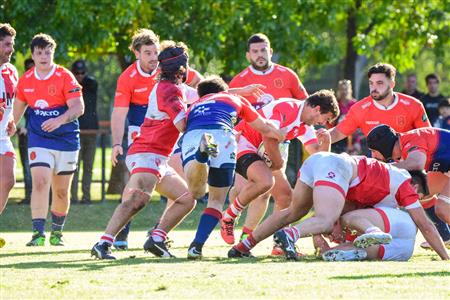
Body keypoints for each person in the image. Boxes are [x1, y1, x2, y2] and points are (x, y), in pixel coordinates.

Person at [228, 152, 449, 261]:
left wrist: (332, 231)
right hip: (336, 166)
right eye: (420, 192)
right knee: (323, 219)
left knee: (294, 212)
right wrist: (445, 258)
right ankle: (290, 234)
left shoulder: (385, 180)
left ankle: (243, 246)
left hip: (318, 162)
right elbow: (425, 225)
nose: (417, 198)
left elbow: (347, 207)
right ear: (414, 183)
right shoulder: (403, 183)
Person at [91, 41, 195, 260]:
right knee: (138, 199)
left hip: (157, 156)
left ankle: (156, 239)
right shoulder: (170, 90)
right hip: (147, 152)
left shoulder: (172, 87)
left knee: (187, 198)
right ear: (181, 69)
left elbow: (202, 94)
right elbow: (182, 125)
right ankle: (103, 243)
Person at [111, 29, 202, 249]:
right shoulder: (136, 79)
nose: (153, 57)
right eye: (148, 53)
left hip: (163, 143)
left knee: (185, 193)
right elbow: (119, 112)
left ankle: (158, 234)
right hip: (147, 141)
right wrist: (116, 143)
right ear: (137, 54)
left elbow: (202, 87)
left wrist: (229, 95)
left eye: (155, 52)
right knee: (137, 196)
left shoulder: (172, 71)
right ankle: (114, 236)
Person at [182, 76, 285, 259]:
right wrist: (281, 135)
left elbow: (180, 125)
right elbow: (263, 127)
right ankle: (196, 246)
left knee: (196, 191)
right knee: (216, 200)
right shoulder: (236, 99)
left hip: (194, 133)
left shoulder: (193, 104)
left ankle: (201, 155)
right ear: (224, 91)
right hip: (223, 134)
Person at [220, 90, 339, 248]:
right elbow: (268, 135)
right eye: (327, 118)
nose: (324, 124)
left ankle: (279, 245)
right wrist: (277, 163)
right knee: (264, 182)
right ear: (317, 109)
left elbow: (319, 157)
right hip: (245, 142)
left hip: (264, 151)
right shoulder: (288, 107)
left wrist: (326, 142)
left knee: (285, 196)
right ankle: (229, 216)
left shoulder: (304, 125)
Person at [228, 33, 309, 252]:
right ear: (248, 55)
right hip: (248, 143)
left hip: (275, 145)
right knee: (255, 191)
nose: (260, 55)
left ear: (270, 51)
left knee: (283, 195)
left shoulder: (287, 75)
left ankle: (276, 243)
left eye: (264, 50)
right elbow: (227, 108)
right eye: (255, 51)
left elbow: (307, 106)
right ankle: (239, 230)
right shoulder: (240, 80)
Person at [13, 33, 85, 246]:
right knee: (41, 182)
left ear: (53, 53)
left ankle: (57, 233)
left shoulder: (64, 76)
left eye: (47, 52)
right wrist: (10, 126)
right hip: (39, 138)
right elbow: (17, 110)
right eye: (39, 53)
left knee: (61, 190)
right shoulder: (26, 79)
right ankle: (37, 234)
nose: (44, 56)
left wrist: (60, 120)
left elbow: (78, 107)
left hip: (66, 139)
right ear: (33, 55)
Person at [319, 171, 430, 261]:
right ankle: (352, 251)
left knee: (348, 218)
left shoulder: (396, 187)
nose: (331, 238)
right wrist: (325, 249)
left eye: (329, 235)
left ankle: (373, 231)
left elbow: (426, 226)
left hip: (398, 223)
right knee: (351, 249)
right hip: (404, 250)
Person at [327, 63, 430, 146]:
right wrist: (313, 139)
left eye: (379, 83)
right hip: (377, 166)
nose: (374, 88)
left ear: (392, 84)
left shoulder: (414, 105)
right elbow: (337, 133)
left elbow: (428, 136)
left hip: (408, 165)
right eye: (371, 83)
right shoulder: (359, 109)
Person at [367, 125, 450, 227]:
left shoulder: (411, 139)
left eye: (374, 151)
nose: (373, 156)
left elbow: (416, 164)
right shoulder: (401, 150)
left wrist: (380, 169)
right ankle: (445, 237)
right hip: (445, 166)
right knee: (419, 193)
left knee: (443, 209)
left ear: (384, 146)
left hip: (445, 166)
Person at [70, 59, 99, 205]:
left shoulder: (91, 83)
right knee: (74, 167)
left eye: (82, 73)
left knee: (88, 166)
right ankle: (73, 198)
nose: (80, 75)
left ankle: (86, 197)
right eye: (77, 73)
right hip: (75, 131)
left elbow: (89, 84)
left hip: (91, 131)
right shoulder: (69, 86)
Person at [0, 23, 18, 243]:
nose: (10, 49)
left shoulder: (11, 71)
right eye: (6, 44)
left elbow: (11, 102)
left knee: (8, 180)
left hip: (2, 136)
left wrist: (11, 119)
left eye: (12, 45)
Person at [17, 58, 35, 205]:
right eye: (28, 68)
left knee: (37, 166)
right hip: (24, 133)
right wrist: (21, 126)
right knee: (26, 165)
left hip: (37, 133)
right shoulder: (22, 85)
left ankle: (38, 196)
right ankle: (29, 196)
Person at [331, 79, 360, 154]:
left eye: (346, 89)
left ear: (350, 90)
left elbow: (359, 124)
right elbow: (330, 123)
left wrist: (357, 142)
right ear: (339, 90)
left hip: (352, 140)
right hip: (337, 140)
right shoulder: (335, 104)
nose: (344, 92)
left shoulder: (355, 104)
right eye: (342, 89)